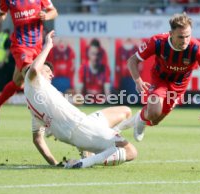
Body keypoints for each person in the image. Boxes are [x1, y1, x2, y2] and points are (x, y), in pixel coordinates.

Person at [23, 31, 137, 168]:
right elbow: (34, 69)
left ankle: (96, 147)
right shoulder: (33, 81)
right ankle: (85, 162)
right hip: (82, 128)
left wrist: (54, 163)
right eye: (47, 71)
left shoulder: (34, 102)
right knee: (131, 152)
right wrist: (48, 45)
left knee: (126, 111)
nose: (52, 74)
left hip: (83, 123)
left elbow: (37, 139)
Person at [127, 13, 200, 142]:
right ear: (171, 33)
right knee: (153, 112)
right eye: (181, 37)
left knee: (155, 120)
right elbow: (132, 61)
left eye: (188, 36)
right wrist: (138, 80)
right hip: (160, 79)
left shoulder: (197, 48)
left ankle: (139, 118)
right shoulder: (157, 41)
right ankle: (141, 121)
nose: (185, 40)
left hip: (179, 85)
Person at [0, 0, 58, 127]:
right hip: (20, 45)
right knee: (32, 75)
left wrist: (46, 16)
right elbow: (2, 13)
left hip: (37, 46)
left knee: (17, 83)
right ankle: (48, 117)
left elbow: (54, 11)